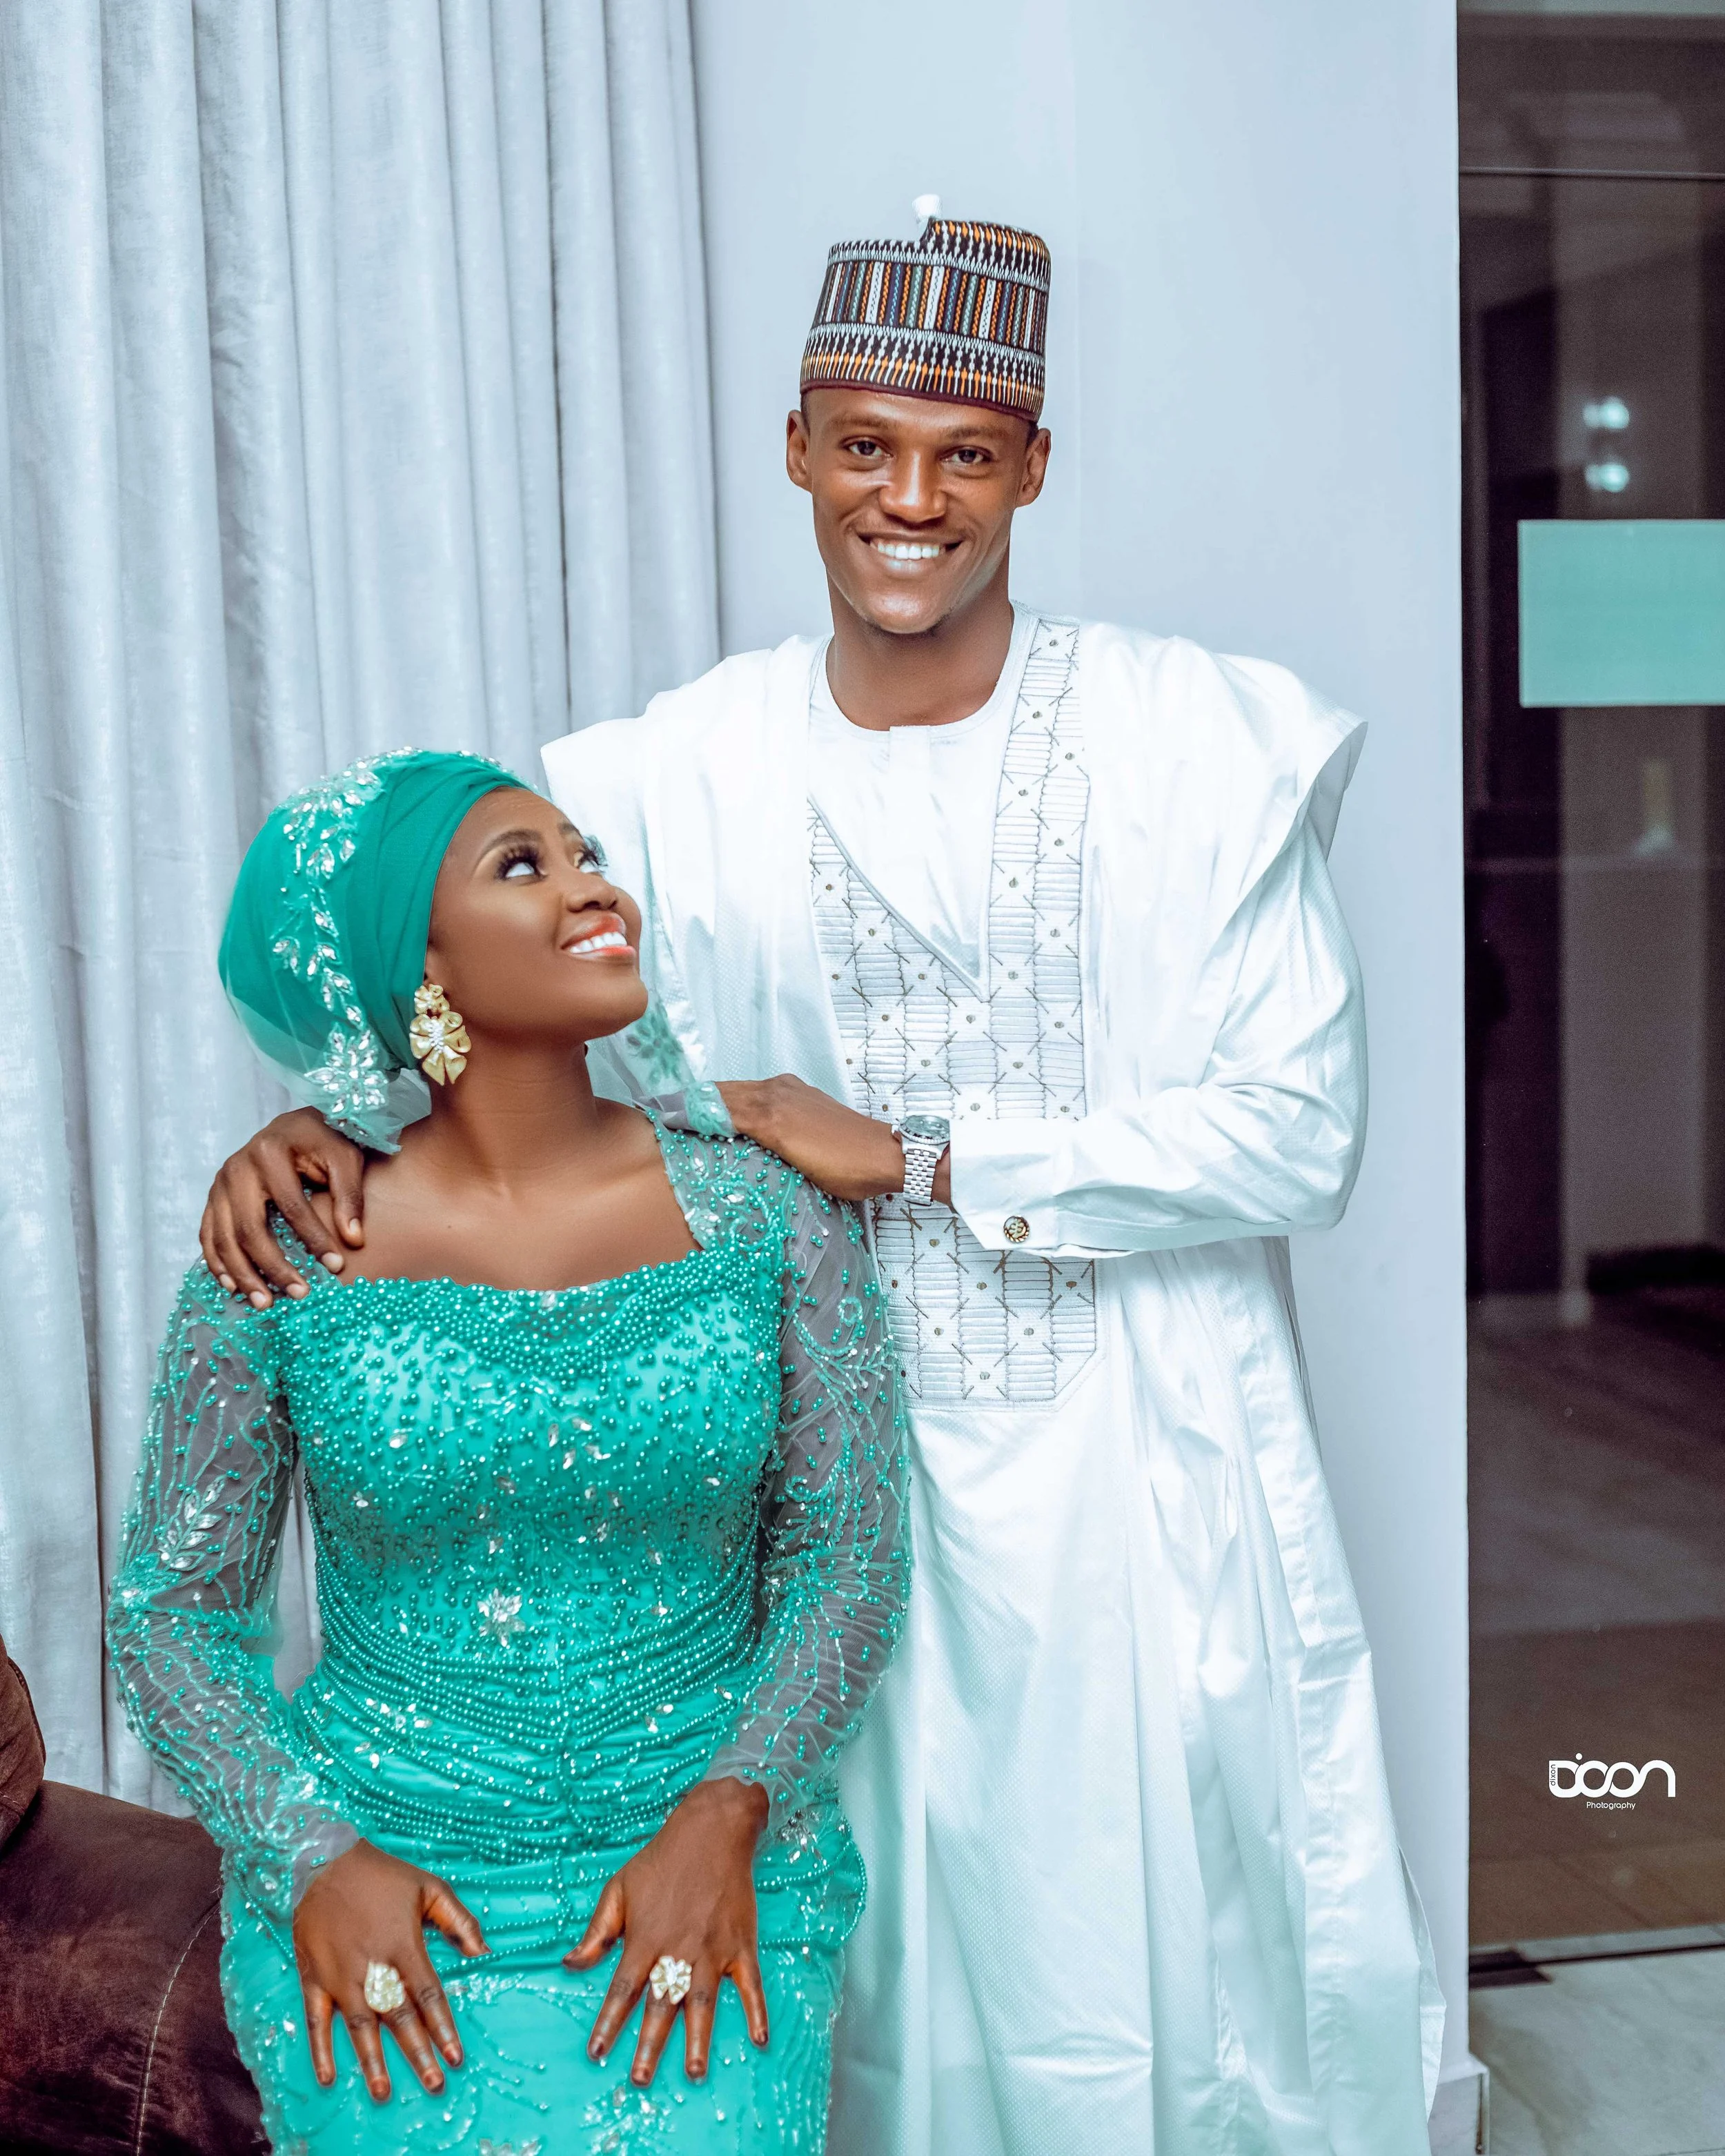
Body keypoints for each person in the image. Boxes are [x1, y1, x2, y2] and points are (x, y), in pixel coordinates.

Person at [199, 212, 1443, 2154]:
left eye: (964, 450)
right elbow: (480, 1015)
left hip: (1131, 1468)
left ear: (1037, 464)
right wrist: (320, 1132)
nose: (910, 497)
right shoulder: (668, 771)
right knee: (832, 1993)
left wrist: (948, 1160)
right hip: (759, 1495)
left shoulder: (1196, 738)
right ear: (793, 448)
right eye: (864, 444)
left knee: (1137, 1970)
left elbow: (1302, 1125)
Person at [110, 750, 907, 2155]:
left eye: (586, 850)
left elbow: (846, 1548)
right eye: (523, 864)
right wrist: (311, 1861)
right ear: (411, 962)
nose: (594, 881)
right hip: (388, 1897)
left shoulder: (761, 1210)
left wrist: (729, 1810)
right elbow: (171, 1610)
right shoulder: (286, 1248)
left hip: (714, 1876)